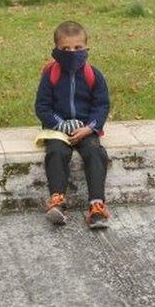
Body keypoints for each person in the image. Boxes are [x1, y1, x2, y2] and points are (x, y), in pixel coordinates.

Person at [34, 21, 112, 228]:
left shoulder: (93, 75)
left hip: (86, 129)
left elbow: (102, 105)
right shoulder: (50, 74)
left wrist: (89, 127)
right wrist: (60, 124)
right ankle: (57, 201)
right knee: (56, 153)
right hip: (58, 130)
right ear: (55, 50)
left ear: (86, 48)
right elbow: (42, 106)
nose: (72, 52)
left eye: (77, 48)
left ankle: (96, 206)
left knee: (95, 153)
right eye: (65, 49)